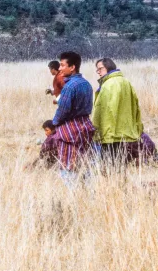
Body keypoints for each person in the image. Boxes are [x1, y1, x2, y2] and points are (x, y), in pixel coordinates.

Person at [91, 58, 144, 168]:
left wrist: (96, 131)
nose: (98, 72)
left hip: (112, 135)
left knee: (109, 169)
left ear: (109, 67)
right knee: (122, 167)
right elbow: (136, 107)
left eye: (100, 69)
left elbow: (103, 110)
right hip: (128, 133)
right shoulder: (126, 82)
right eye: (97, 70)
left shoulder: (108, 85)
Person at [52, 51, 95, 184]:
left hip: (69, 129)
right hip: (85, 125)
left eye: (62, 65)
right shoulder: (86, 84)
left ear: (72, 67)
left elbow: (63, 110)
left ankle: (72, 195)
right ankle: (89, 193)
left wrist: (55, 123)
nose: (59, 69)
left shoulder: (69, 87)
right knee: (86, 162)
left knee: (67, 164)